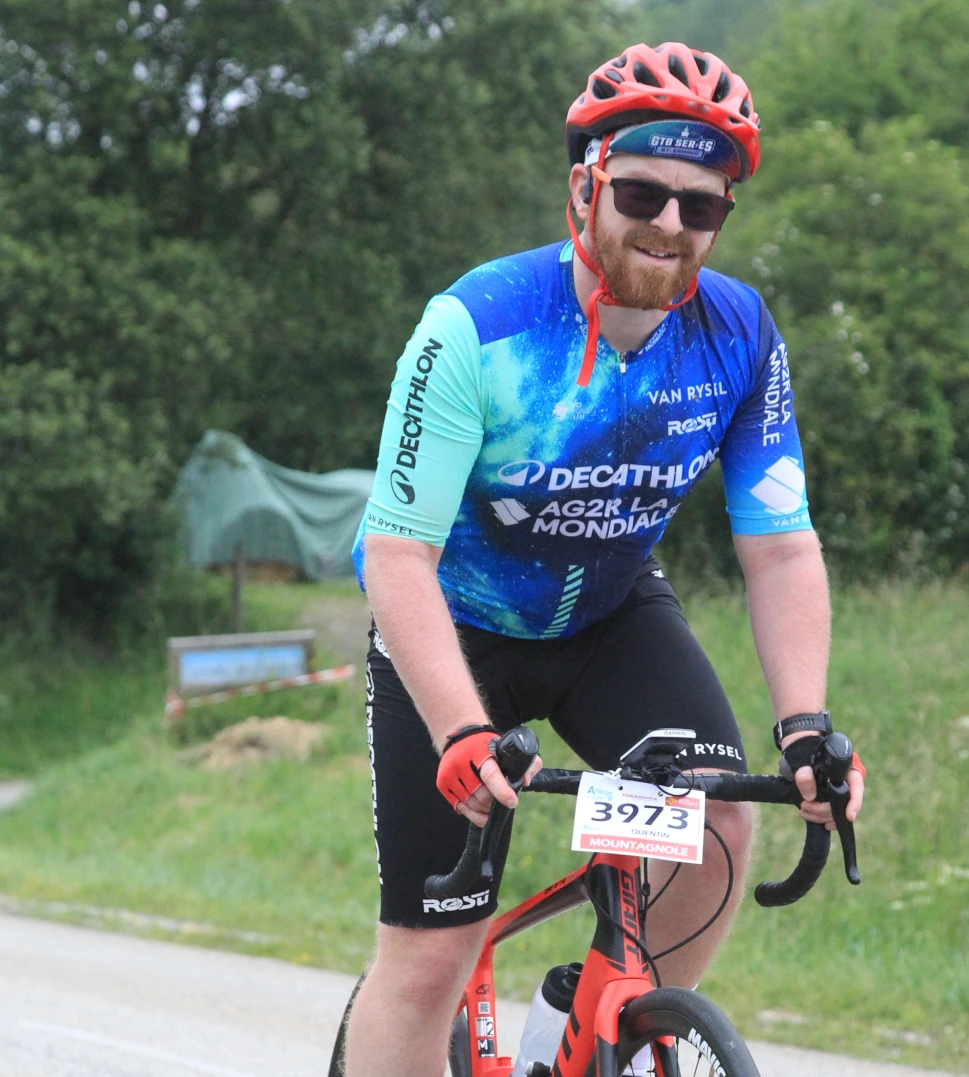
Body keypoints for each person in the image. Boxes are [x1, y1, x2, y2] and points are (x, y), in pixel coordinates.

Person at [336, 41, 865, 1077]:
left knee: (716, 814)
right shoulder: (475, 326)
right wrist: (459, 730)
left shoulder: (739, 334)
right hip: (452, 634)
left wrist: (805, 726)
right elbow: (395, 555)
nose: (668, 224)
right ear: (585, 184)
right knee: (429, 954)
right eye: (640, 191)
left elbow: (781, 548)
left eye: (699, 205)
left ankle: (580, 1032)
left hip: (608, 620)